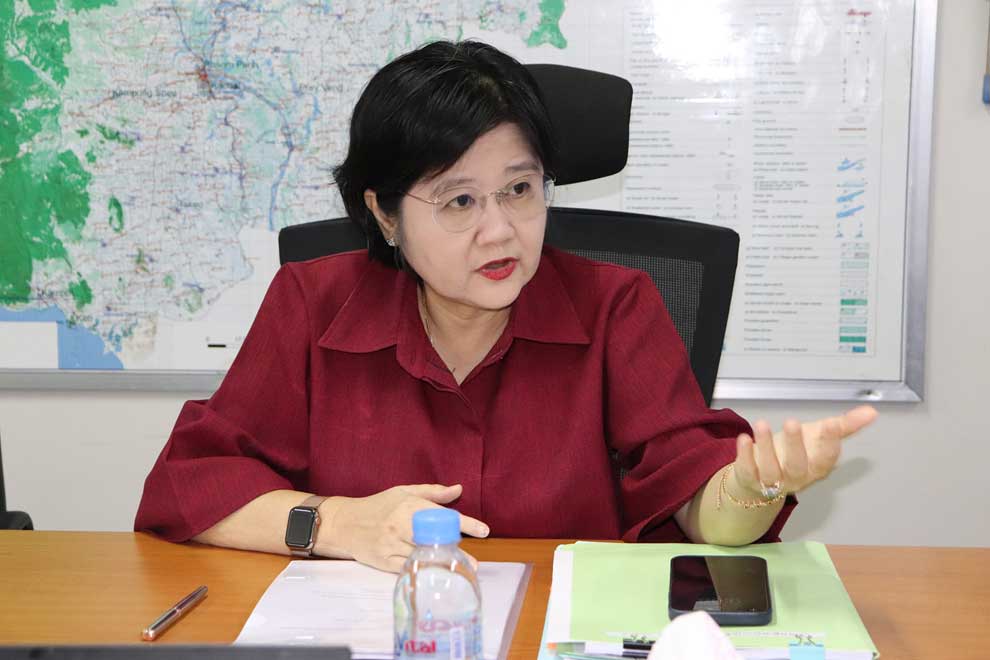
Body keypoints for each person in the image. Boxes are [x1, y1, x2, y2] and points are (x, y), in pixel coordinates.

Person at [135, 40, 877, 573]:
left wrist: (750, 487)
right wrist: (339, 524)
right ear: (385, 213)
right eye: (459, 200)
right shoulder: (312, 303)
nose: (500, 231)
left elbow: (699, 504)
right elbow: (190, 489)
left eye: (519, 190)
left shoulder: (616, 306)